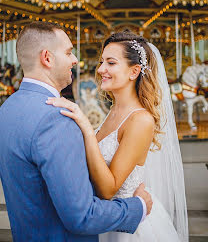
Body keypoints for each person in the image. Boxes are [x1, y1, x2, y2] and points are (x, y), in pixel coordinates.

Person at [0, 22, 152, 242]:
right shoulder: (55, 119)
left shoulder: (7, 109)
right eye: (69, 52)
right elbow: (81, 216)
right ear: (47, 58)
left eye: (110, 62)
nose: (74, 60)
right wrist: (138, 207)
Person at [47, 31, 189, 242]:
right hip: (105, 219)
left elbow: (108, 188)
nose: (101, 69)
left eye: (111, 63)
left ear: (134, 72)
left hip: (129, 228)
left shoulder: (140, 120)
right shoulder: (114, 111)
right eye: (102, 61)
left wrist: (86, 127)